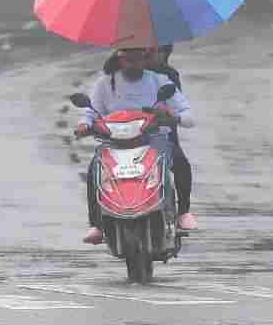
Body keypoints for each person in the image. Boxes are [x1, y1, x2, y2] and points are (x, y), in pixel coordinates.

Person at [76, 46, 195, 245]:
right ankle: (97, 224)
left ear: (145, 59)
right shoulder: (105, 84)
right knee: (94, 170)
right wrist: (84, 125)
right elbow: (91, 112)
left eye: (138, 59)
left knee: (180, 162)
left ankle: (183, 212)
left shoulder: (160, 81)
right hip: (113, 142)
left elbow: (188, 115)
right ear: (119, 60)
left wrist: (172, 117)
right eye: (128, 59)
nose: (133, 64)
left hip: (154, 140)